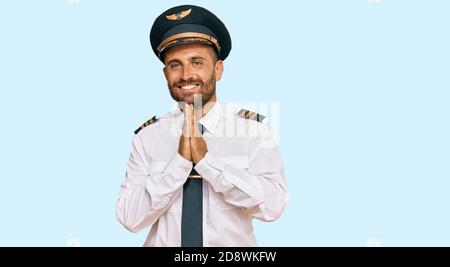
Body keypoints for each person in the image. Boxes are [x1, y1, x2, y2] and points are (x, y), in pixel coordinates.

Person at [116, 4, 289, 247]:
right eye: (175, 65)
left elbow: (273, 207)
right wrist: (179, 164)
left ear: (218, 70)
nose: (186, 75)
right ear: (165, 73)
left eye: (197, 62)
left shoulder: (253, 130)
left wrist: (207, 163)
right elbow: (128, 219)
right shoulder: (147, 136)